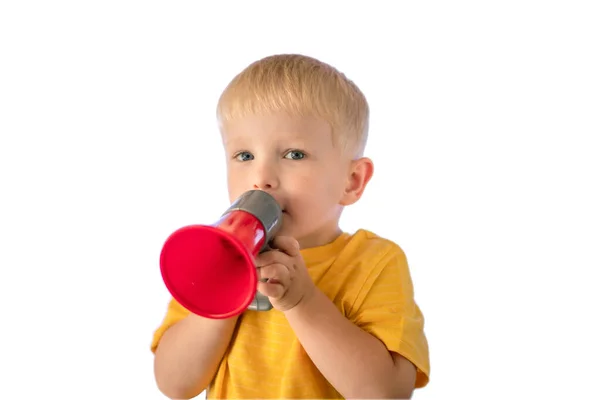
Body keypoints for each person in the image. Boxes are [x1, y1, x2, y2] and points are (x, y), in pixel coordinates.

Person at [150, 53, 430, 399]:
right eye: (244, 156)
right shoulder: (215, 258)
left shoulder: (373, 261)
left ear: (352, 181)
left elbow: (385, 393)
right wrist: (225, 293)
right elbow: (174, 384)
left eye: (294, 155)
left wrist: (302, 302)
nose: (261, 178)